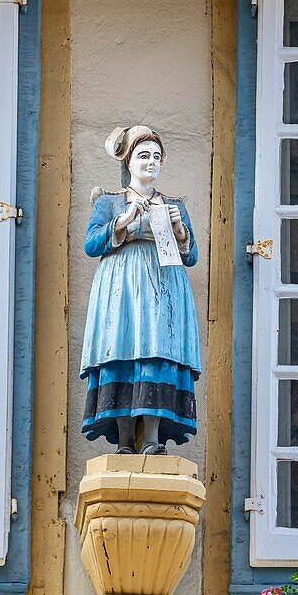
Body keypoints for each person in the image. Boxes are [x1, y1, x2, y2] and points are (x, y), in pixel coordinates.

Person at [80, 126, 202, 455]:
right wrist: (122, 222)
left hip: (164, 286)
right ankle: (123, 441)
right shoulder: (109, 202)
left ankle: (152, 438)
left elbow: (191, 256)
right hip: (121, 285)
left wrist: (179, 231)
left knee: (156, 349)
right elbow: (91, 244)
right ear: (129, 162)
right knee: (121, 347)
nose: (151, 163)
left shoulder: (173, 204)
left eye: (157, 157)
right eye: (144, 156)